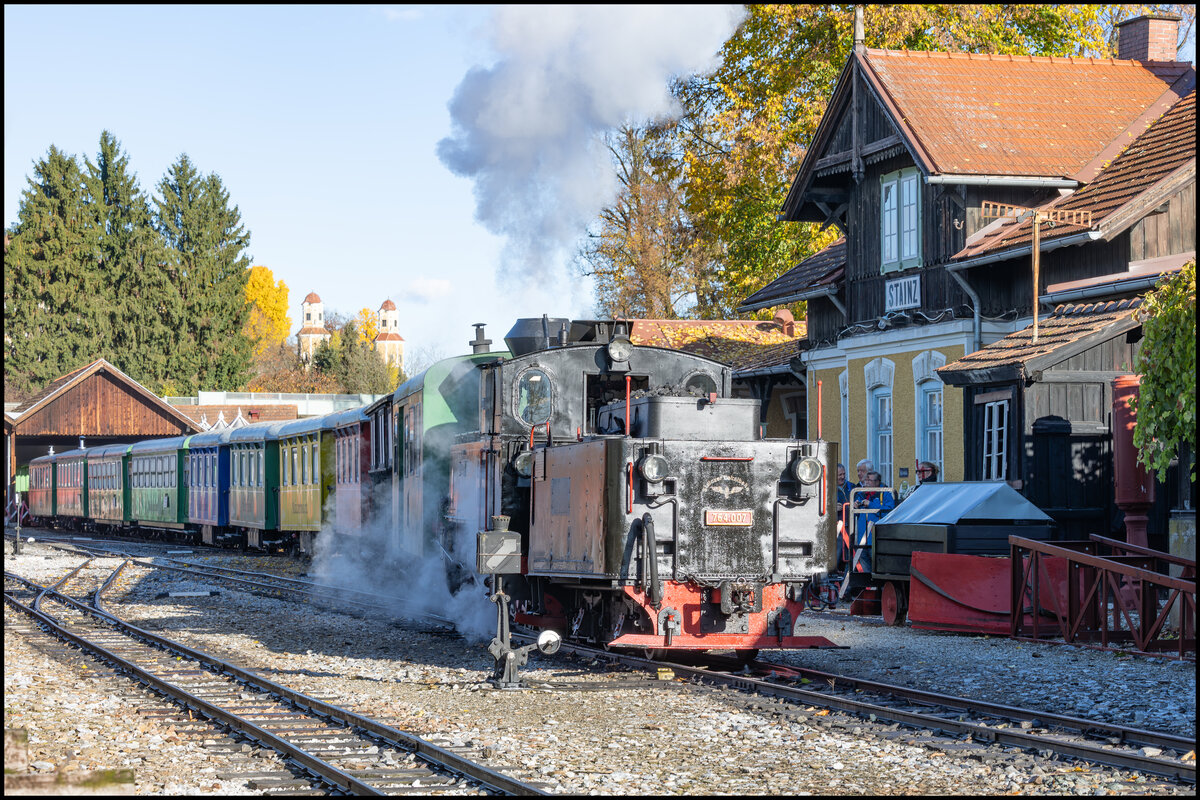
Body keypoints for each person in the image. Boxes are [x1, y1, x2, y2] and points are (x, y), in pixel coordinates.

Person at [852, 470, 894, 571]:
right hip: (861, 540)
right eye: (865, 480)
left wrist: (870, 504)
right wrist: (855, 507)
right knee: (865, 568)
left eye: (869, 480)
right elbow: (856, 515)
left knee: (878, 567)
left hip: (875, 539)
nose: (866, 483)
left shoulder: (885, 494)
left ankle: (877, 586)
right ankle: (868, 587)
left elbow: (889, 512)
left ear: (877, 482)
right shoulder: (861, 495)